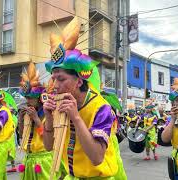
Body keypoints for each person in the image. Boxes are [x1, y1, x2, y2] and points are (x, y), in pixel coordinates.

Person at [43, 17, 123, 179]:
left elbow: (96, 157)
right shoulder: (59, 104)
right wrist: (49, 118)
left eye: (61, 79)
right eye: (53, 78)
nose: (55, 85)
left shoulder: (102, 108)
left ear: (79, 81)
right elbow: (48, 146)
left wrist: (76, 117)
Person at [17, 62, 62, 179]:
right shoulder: (28, 113)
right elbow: (22, 135)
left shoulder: (49, 113)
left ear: (39, 98)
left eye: (30, 98)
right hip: (29, 158)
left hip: (44, 159)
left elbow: (49, 137)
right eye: (26, 98)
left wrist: (36, 119)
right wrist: (21, 120)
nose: (27, 101)